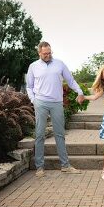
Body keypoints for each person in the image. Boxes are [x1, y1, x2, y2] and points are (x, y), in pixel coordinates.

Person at [25, 41, 84, 177]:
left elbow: (70, 80)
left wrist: (79, 91)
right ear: (39, 53)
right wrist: (33, 100)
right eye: (45, 54)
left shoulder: (59, 64)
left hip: (57, 103)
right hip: (40, 102)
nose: (48, 55)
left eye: (49, 53)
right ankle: (39, 168)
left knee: (60, 134)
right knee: (40, 134)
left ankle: (65, 166)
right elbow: (29, 86)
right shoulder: (33, 66)